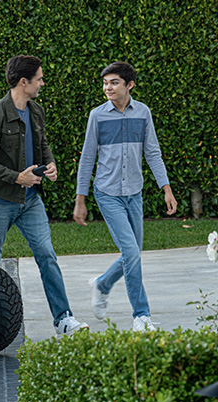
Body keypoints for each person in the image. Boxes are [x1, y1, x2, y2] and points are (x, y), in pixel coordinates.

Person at [0, 55, 87, 337]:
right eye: (39, 78)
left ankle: (64, 319)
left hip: (31, 200)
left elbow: (42, 144)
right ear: (23, 82)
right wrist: (16, 177)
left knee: (47, 255)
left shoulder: (36, 111)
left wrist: (50, 164)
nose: (42, 83)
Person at [73, 61, 177, 332]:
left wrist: (166, 188)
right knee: (131, 252)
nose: (108, 87)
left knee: (133, 254)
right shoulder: (97, 115)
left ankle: (102, 284)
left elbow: (152, 152)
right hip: (107, 193)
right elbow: (87, 159)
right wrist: (80, 198)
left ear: (129, 85)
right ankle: (141, 316)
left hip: (134, 193)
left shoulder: (143, 113)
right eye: (105, 83)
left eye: (114, 82)